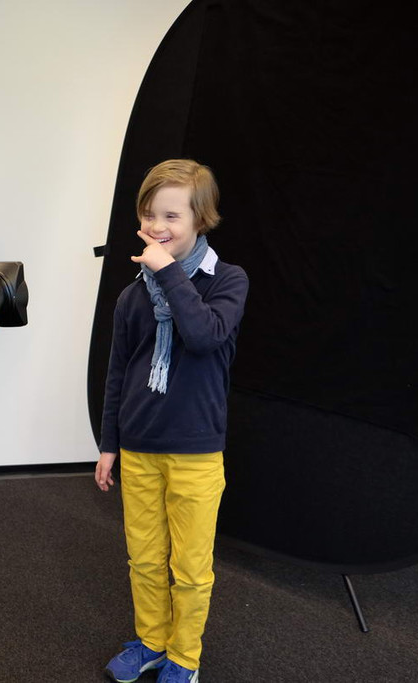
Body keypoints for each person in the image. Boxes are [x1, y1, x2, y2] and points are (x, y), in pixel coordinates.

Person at [94, 159, 249, 683]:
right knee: (143, 558)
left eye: (172, 216)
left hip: (195, 452)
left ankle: (184, 657)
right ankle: (152, 641)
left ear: (201, 220)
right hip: (138, 446)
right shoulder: (131, 296)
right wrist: (109, 443)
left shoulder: (227, 280)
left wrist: (166, 272)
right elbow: (118, 372)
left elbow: (204, 335)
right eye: (149, 214)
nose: (157, 226)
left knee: (190, 568)